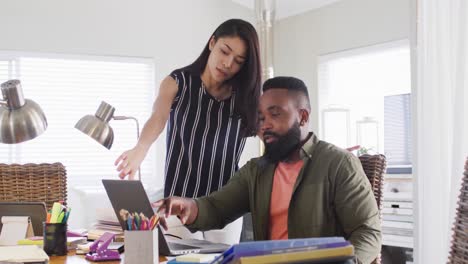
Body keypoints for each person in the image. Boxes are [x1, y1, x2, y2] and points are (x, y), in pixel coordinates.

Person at [154, 76, 382, 264]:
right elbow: (216, 207)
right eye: (261, 117)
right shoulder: (256, 170)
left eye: (275, 114)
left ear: (302, 117)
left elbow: (368, 233)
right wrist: (188, 207)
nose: (265, 125)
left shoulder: (338, 164)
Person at [114, 19, 261, 244]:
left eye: (238, 61)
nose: (227, 63)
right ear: (212, 43)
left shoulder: (245, 98)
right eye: (224, 51)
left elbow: (271, 136)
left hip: (225, 208)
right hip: (177, 203)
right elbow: (158, 118)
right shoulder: (177, 83)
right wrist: (140, 149)